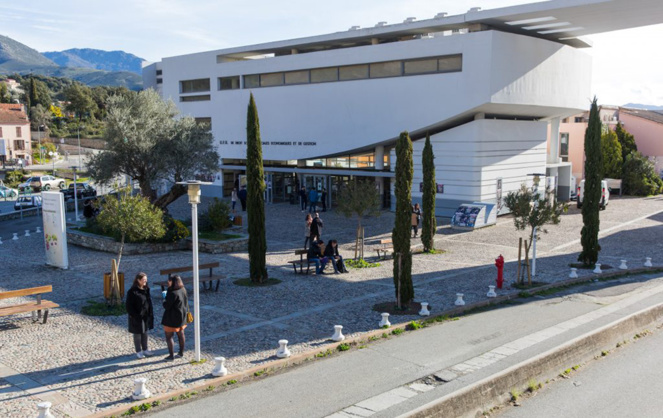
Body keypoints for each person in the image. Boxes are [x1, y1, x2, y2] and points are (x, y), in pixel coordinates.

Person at [126, 272, 154, 359]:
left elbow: (148, 302)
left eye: (146, 279)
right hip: (137, 316)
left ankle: (145, 349)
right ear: (138, 280)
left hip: (145, 315)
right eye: (143, 280)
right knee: (137, 334)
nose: (145, 281)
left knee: (145, 332)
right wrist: (135, 315)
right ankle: (138, 351)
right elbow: (128, 306)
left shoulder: (146, 289)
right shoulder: (132, 292)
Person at [162, 275, 189, 361]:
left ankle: (171, 356)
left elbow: (166, 306)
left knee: (169, 336)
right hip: (182, 316)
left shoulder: (173, 293)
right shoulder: (183, 289)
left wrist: (164, 299)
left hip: (172, 318)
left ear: (173, 282)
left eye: (169, 281)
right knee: (181, 334)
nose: (167, 282)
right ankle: (181, 353)